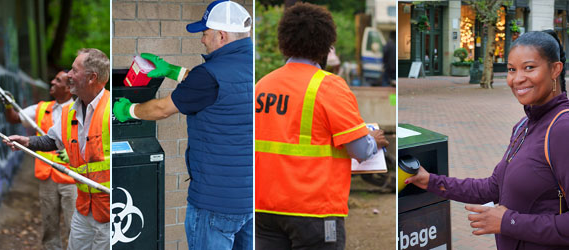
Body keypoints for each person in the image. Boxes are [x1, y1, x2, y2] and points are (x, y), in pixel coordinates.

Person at [405, 31, 569, 249]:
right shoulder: (524, 125)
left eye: (529, 67)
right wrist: (430, 181)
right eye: (512, 69)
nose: (517, 78)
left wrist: (508, 222)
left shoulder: (562, 129)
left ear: (555, 70)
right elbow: (493, 188)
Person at [112, 1, 253, 249]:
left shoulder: (209, 74)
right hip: (251, 199)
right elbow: (214, 87)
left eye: (205, 33)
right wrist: (172, 71)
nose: (202, 40)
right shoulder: (253, 66)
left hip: (214, 203)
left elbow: (161, 109)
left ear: (221, 35)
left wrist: (127, 110)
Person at [254, 3, 389, 249]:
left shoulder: (262, 86)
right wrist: (374, 140)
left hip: (264, 208)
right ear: (326, 45)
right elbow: (358, 150)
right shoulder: (330, 87)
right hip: (314, 211)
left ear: (284, 41)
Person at [5, 48, 111, 250]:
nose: (68, 75)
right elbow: (52, 141)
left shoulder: (112, 111)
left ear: (91, 78)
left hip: (109, 210)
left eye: (74, 70)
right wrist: (26, 141)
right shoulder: (69, 112)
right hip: (84, 206)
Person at [0, 70, 76, 250]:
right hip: (46, 176)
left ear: (68, 87)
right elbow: (14, 118)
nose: (52, 81)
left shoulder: (78, 110)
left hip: (71, 178)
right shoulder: (41, 108)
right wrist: (8, 105)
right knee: (50, 225)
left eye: (58, 80)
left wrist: (70, 154)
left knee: (75, 225)